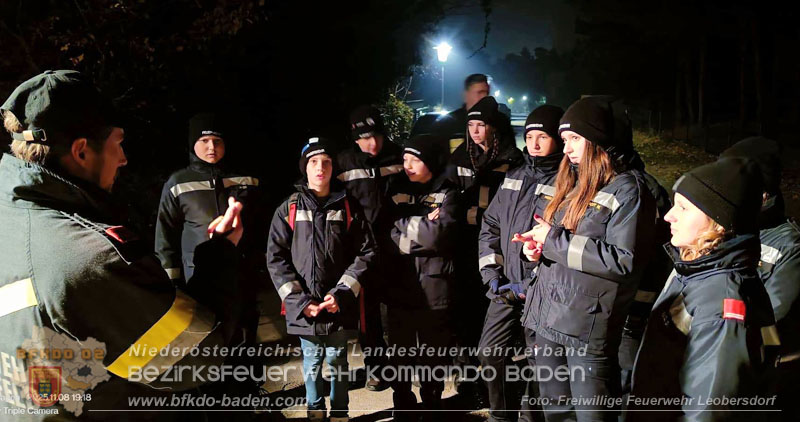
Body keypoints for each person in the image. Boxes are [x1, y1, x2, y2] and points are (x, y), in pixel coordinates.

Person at [0, 70, 246, 420]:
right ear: (82, 151)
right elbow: (197, 357)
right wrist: (220, 255)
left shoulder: (9, 220)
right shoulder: (88, 255)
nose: (124, 158)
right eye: (118, 142)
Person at [518, 97, 656, 421]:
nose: (566, 148)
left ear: (597, 140)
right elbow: (561, 245)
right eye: (564, 140)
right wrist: (535, 250)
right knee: (557, 414)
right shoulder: (571, 184)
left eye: (574, 139)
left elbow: (624, 260)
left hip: (586, 329)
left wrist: (551, 240)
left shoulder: (628, 190)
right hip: (548, 319)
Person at [629, 157, 780, 422]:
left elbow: (709, 409)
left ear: (717, 223)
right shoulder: (693, 269)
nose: (668, 215)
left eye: (683, 208)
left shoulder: (722, 301)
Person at [267, 137, 375, 422]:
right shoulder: (288, 208)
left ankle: (340, 414)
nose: (320, 168)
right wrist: (301, 302)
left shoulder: (348, 207)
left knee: (339, 363)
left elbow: (366, 252)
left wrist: (341, 294)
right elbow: (275, 259)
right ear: (305, 167)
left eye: (326, 162)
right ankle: (315, 413)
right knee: (312, 364)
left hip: (337, 305)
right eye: (313, 162)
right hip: (306, 309)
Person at [478, 105, 565, 422]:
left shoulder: (570, 183)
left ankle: (531, 417)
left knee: (540, 364)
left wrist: (532, 285)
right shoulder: (514, 177)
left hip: (542, 293)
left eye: (543, 136)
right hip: (505, 288)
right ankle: (501, 416)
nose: (535, 144)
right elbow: (490, 226)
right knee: (490, 352)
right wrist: (492, 275)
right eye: (530, 136)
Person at [447, 95, 522, 405]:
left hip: (497, 249)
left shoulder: (512, 160)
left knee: (491, 311)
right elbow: (447, 197)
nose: (475, 131)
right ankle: (467, 377)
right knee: (463, 313)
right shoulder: (460, 159)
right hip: (464, 249)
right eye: (471, 125)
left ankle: (499, 379)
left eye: (482, 125)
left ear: (494, 128)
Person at [720, 137, 800, 422]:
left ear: (763, 193)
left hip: (758, 375)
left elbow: (773, 316)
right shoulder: (725, 230)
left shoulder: (789, 247)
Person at [385, 134, 459, 421]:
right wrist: (420, 226)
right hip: (400, 285)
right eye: (405, 159)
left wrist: (405, 227)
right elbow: (387, 232)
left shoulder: (448, 191)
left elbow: (439, 236)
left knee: (433, 353)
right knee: (400, 353)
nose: (408, 165)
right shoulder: (395, 189)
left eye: (415, 159)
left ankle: (431, 401)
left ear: (429, 161)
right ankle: (402, 402)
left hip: (435, 286)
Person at [335, 105, 403, 391]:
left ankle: (404, 366)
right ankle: (376, 369)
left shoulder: (399, 155)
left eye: (376, 135)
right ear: (354, 138)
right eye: (364, 137)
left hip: (399, 249)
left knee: (400, 311)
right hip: (363, 251)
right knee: (368, 316)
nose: (372, 143)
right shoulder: (343, 162)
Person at [437, 73, 492, 153]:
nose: (484, 97)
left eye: (486, 93)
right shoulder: (448, 123)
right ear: (466, 95)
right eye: (479, 93)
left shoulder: (499, 122)